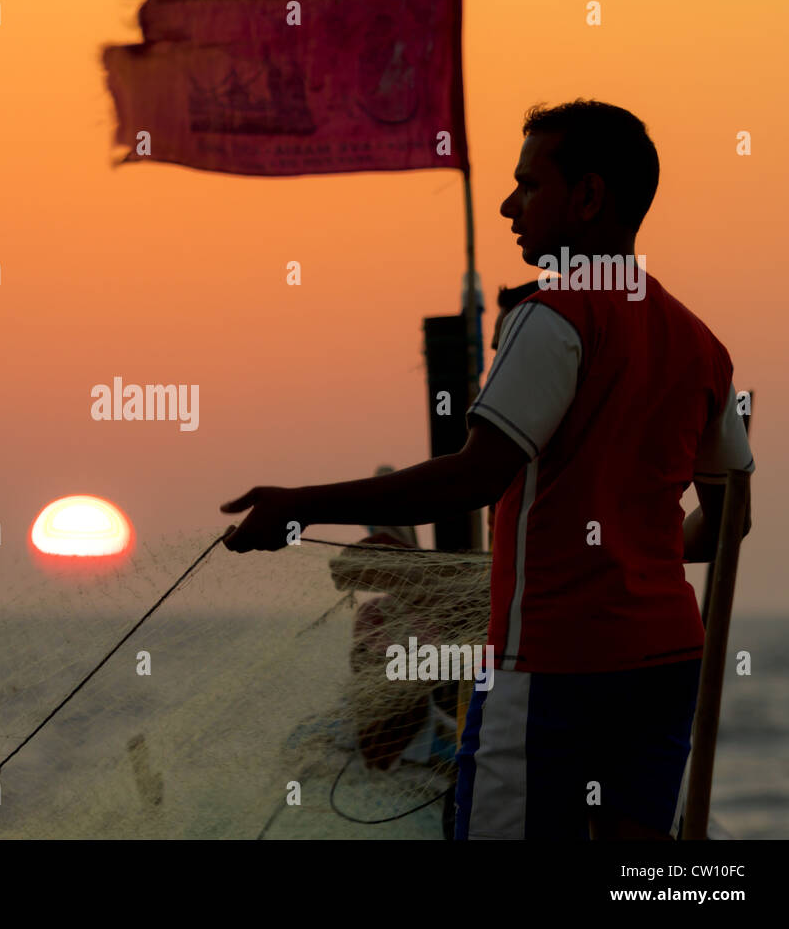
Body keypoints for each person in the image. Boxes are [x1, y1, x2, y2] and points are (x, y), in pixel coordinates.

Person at [219, 99, 755, 840]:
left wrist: (297, 504)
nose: (510, 206)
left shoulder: (555, 316)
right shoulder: (702, 345)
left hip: (553, 666)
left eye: (529, 186)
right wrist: (641, 545)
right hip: (663, 668)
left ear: (589, 196)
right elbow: (729, 525)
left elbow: (474, 477)